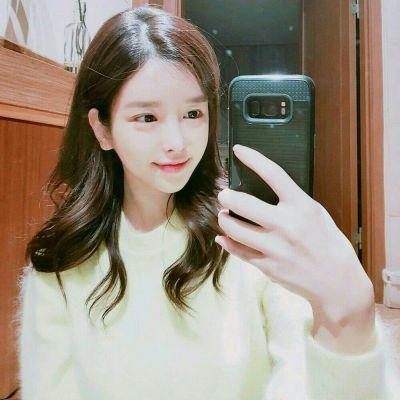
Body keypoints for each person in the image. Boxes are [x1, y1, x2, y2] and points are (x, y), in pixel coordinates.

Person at [15, 5, 393, 400]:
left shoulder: (248, 239)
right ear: (102, 129)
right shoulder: (62, 260)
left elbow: (304, 380)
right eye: (147, 118)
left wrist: (350, 321)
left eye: (193, 113)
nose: (176, 142)